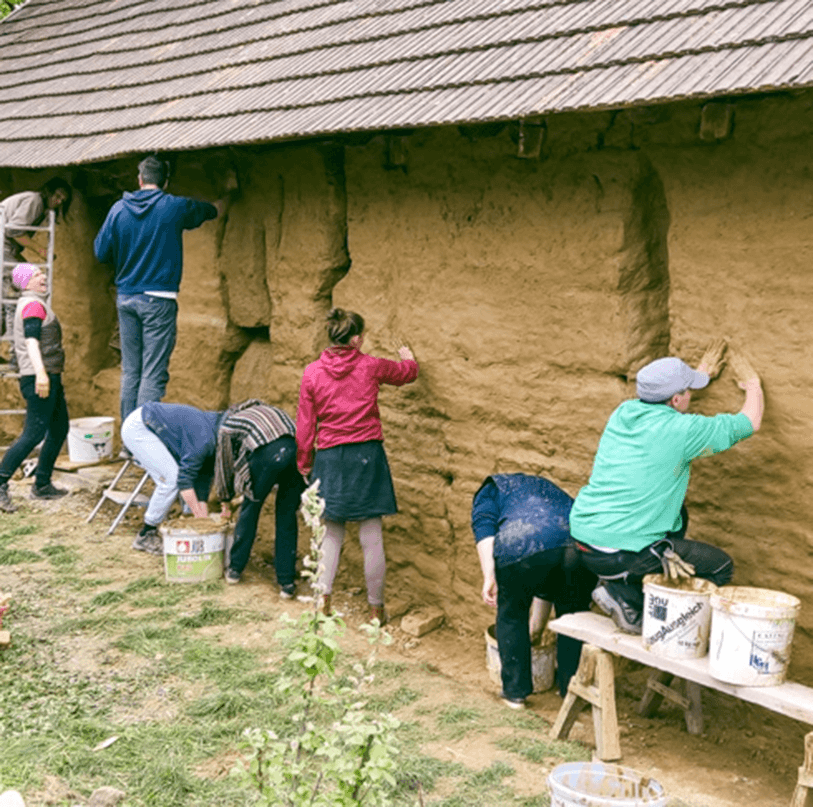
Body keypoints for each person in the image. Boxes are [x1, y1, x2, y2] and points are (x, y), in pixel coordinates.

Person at [569, 342, 764, 634]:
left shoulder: (623, 413)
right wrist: (753, 383)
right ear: (676, 399)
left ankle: (622, 586)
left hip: (586, 540)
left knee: (678, 515)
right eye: (687, 390)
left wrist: (699, 375)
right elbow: (751, 421)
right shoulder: (683, 431)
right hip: (620, 554)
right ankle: (645, 609)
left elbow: (666, 404)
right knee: (721, 566)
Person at [296, 308, 419, 623]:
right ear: (356, 338)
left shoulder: (312, 373)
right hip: (366, 455)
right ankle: (375, 610)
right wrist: (409, 359)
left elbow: (306, 426)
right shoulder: (370, 366)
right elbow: (406, 374)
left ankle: (323, 602)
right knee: (371, 535)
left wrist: (305, 462)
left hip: (330, 457)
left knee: (332, 534)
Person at [93, 156, 218, 425]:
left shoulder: (118, 210)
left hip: (126, 297)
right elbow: (206, 210)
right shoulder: (173, 206)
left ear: (139, 180)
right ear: (166, 182)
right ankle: (143, 442)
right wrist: (219, 204)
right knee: (152, 374)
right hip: (158, 300)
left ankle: (130, 442)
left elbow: (100, 252)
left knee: (130, 373)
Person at [472, 473, 597, 708]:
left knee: (512, 612)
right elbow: (549, 567)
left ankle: (515, 692)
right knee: (572, 615)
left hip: (522, 544)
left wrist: (490, 576)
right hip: (579, 547)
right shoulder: (543, 489)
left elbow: (485, 531)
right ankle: (571, 692)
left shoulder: (487, 493)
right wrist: (537, 627)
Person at [214, 399, 305, 596]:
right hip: (296, 453)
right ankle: (286, 583)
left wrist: (225, 496)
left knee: (251, 507)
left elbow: (224, 465)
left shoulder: (229, 424)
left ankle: (235, 570)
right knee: (287, 515)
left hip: (268, 454)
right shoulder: (273, 410)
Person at [0, 263, 70, 512]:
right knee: (33, 433)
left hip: (49, 376)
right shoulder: (32, 305)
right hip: (40, 377)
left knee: (60, 427)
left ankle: (41, 484)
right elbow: (31, 342)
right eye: (36, 274)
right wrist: (41, 373)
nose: (43, 276)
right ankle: (1, 482)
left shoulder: (34, 303)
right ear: (26, 283)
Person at [120, 401, 221, 555]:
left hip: (152, 424)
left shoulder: (214, 437)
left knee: (176, 480)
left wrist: (202, 512)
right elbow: (184, 481)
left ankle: (187, 518)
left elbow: (203, 477)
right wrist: (200, 517)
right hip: (140, 427)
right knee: (170, 480)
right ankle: (146, 534)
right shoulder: (204, 440)